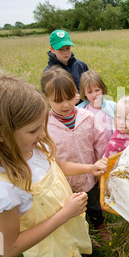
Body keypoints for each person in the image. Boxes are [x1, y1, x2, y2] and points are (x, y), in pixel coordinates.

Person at [0, 73, 108, 257]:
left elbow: (58, 166)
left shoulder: (36, 148)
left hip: (68, 231)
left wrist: (90, 167)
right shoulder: (1, 188)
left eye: (42, 126)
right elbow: (7, 248)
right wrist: (65, 214)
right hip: (52, 255)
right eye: (33, 130)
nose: (43, 134)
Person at [41, 66, 108, 235]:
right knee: (71, 213)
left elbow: (100, 145)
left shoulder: (88, 118)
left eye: (70, 98)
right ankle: (81, 236)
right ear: (46, 98)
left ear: (76, 94)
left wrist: (101, 170)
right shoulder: (44, 126)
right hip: (64, 183)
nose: (66, 104)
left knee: (94, 205)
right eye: (58, 100)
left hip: (90, 177)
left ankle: (99, 227)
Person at [44, 29, 89, 101]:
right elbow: (47, 99)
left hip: (85, 108)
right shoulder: (49, 72)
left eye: (68, 48)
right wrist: (69, 100)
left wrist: (84, 96)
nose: (65, 52)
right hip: (64, 111)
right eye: (60, 49)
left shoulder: (81, 65)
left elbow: (90, 86)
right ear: (52, 49)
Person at [77, 70, 116, 143]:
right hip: (96, 150)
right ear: (84, 93)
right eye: (89, 92)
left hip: (114, 148)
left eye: (97, 90)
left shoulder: (113, 106)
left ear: (102, 89)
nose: (94, 94)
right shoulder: (82, 112)